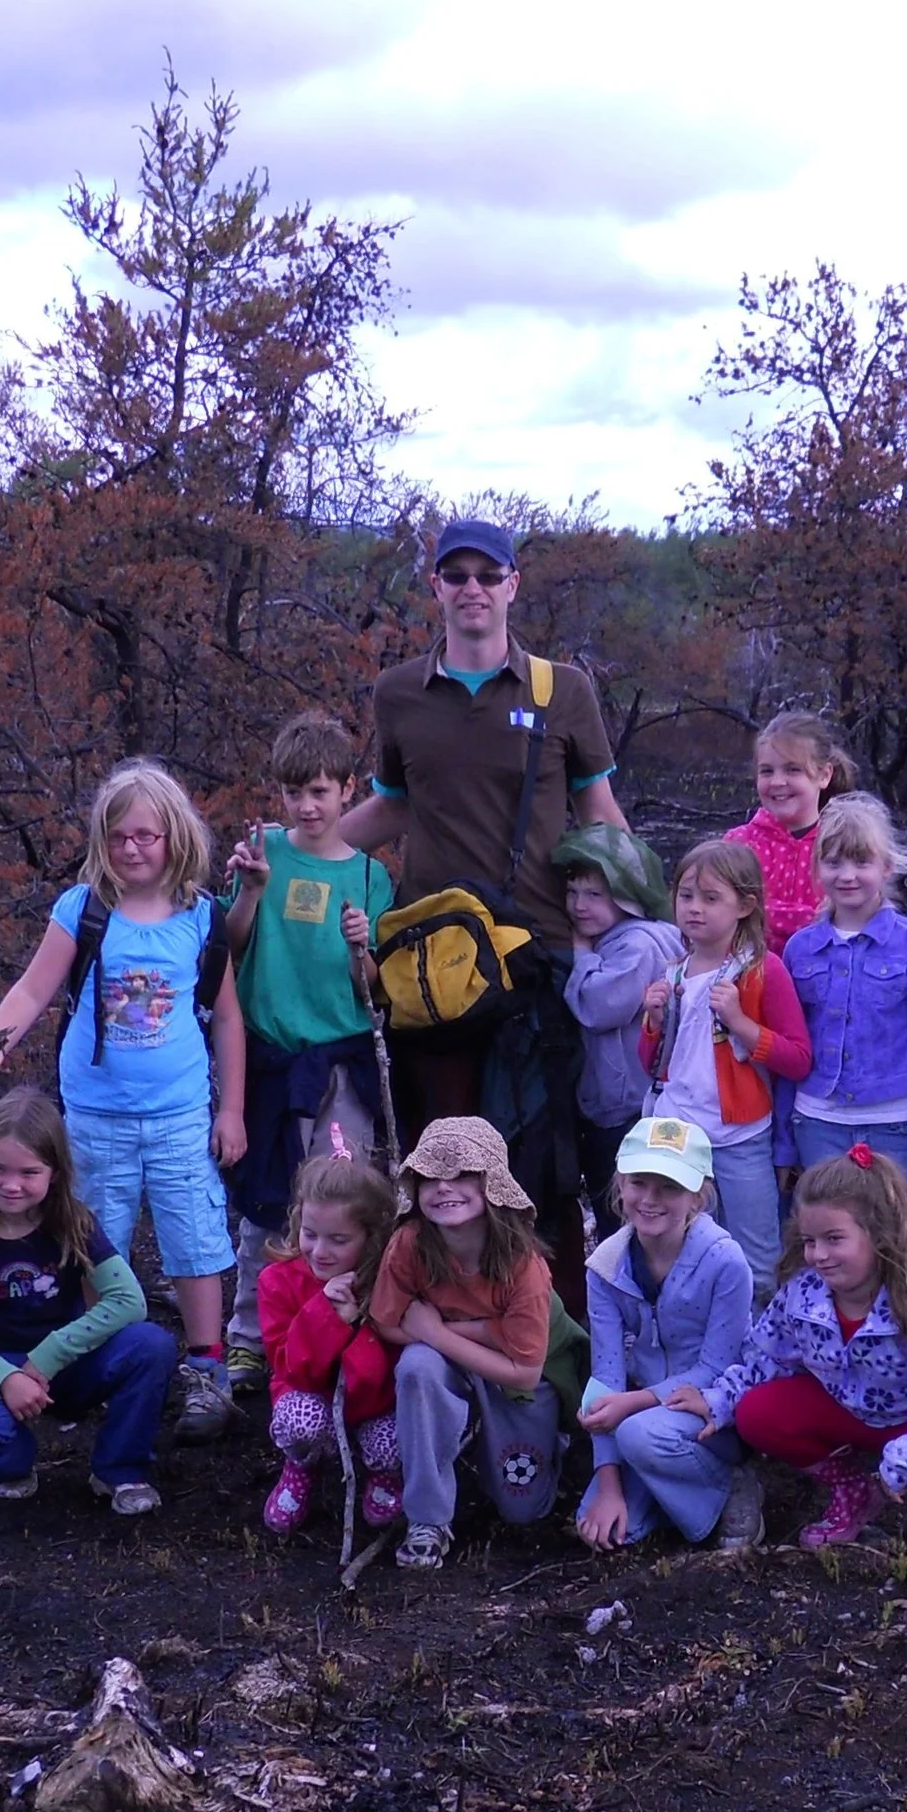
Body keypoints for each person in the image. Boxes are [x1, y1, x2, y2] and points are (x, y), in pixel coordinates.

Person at [339, 518, 625, 1310]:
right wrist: (298, 848)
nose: (471, 588)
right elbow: (390, 808)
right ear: (433, 587)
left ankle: (552, 1342)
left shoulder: (561, 689)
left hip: (537, 961)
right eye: (454, 574)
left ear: (512, 585)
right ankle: (454, 1321)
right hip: (432, 971)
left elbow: (598, 812)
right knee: (446, 1157)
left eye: (486, 574)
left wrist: (654, 927)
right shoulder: (399, 692)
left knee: (546, 1164)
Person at [0, 758, 247, 1444]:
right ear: (102, 840)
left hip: (181, 1115)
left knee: (194, 1242)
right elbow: (32, 990)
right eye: (119, 836)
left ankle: (207, 1371)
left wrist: (230, 1109)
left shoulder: (202, 919)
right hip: (94, 1118)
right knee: (95, 1244)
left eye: (147, 836)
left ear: (174, 838)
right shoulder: (83, 910)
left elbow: (229, 1018)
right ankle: (98, 1360)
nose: (133, 849)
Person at [668, 1148, 907, 1561]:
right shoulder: (801, 1295)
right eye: (810, 1241)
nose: (819, 1255)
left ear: (880, 1234)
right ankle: (852, 1491)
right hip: (846, 1415)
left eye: (834, 1239)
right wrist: (718, 1400)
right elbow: (767, 1359)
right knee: (757, 1413)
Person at [220, 710, 394, 1397]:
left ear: (349, 789)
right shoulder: (264, 850)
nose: (307, 805)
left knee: (340, 1198)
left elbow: (373, 988)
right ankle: (246, 1337)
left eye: (321, 790)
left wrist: (362, 946)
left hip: (341, 1063)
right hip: (269, 1056)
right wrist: (253, 888)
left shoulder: (369, 875)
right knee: (264, 1204)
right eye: (295, 792)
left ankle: (340, 1327)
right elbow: (229, 948)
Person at [0, 1088, 178, 1514]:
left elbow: (128, 1300)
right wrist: (8, 1379)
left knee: (151, 1345)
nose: (11, 1185)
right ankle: (14, 1463)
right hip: (1, 1366)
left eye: (29, 1172)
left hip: (70, 1360)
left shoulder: (74, 1223)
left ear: (55, 1173)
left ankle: (119, 1469)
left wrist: (48, 1357)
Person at [370, 1117, 589, 1571]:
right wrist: (476, 1333)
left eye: (462, 1174)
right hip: (458, 1360)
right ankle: (428, 1519)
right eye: (431, 1177)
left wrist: (439, 1333)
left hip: (522, 1373)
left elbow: (524, 1369)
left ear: (493, 1184)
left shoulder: (522, 1264)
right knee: (416, 1366)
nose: (444, 1187)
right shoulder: (409, 1243)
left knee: (523, 1510)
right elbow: (388, 1322)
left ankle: (552, 1444)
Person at [574, 1117, 760, 1552]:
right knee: (603, 1526)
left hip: (716, 1411)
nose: (650, 1200)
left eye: (670, 1188)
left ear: (698, 1194)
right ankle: (670, 1495)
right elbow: (606, 1378)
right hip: (645, 1419)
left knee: (638, 1436)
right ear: (620, 1184)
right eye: (639, 1183)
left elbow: (717, 1368)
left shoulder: (725, 1262)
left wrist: (632, 1405)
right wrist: (607, 1483)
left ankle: (734, 1483)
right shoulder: (605, 1267)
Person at [639, 839, 814, 1299]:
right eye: (686, 896)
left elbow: (797, 1058)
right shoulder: (673, 971)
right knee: (687, 1251)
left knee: (755, 1256)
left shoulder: (762, 971)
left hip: (739, 1138)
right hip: (677, 1136)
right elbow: (654, 1066)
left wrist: (740, 1023)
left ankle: (760, 1353)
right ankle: (699, 1350)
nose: (695, 909)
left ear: (746, 905)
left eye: (711, 898)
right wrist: (655, 1024)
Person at [776, 792, 907, 1204]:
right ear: (817, 868)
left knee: (898, 1250)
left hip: (897, 1128)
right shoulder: (799, 950)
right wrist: (783, 1143)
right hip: (817, 1125)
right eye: (834, 862)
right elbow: (791, 1053)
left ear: (886, 867)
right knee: (828, 1247)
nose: (848, 875)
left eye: (862, 862)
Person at [258, 1130, 405, 1536]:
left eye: (339, 1240)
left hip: (375, 1402)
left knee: (391, 1438)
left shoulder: (387, 1282)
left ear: (371, 1238)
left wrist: (359, 1323)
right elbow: (292, 1369)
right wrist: (326, 1315)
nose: (320, 1251)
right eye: (310, 1234)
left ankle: (383, 1471)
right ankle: (302, 1467)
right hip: (310, 1394)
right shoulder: (277, 1281)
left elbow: (380, 1374)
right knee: (299, 1420)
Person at [555, 823, 684, 1242]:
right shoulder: (621, 939)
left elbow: (598, 1005)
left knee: (623, 1213)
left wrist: (580, 955)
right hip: (621, 1103)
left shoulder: (637, 946)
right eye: (573, 892)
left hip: (625, 1106)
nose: (579, 906)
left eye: (594, 894)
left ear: (626, 896)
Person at [725, 710, 857, 951]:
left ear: (824, 775)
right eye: (767, 771)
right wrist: (812, 918)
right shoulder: (738, 845)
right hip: (749, 980)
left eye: (793, 770)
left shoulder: (843, 844)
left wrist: (764, 915)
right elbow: (721, 915)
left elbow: (856, 919)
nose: (777, 782)